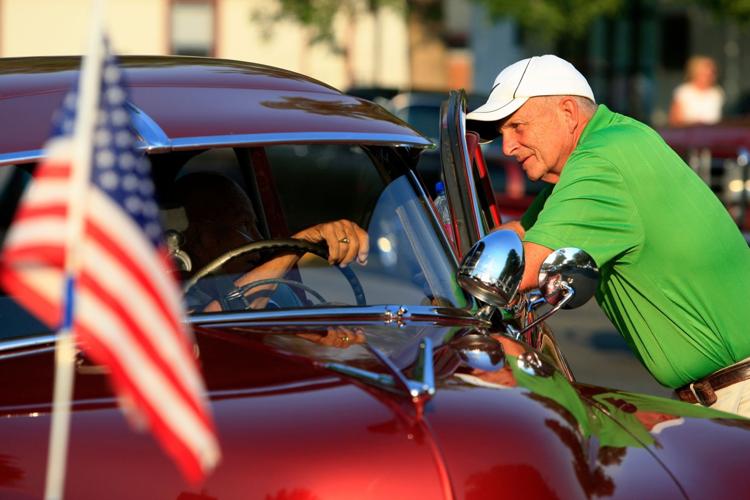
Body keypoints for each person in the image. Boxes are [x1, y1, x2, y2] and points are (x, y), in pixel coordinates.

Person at [465, 54, 750, 417]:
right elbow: (521, 232)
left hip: (740, 394)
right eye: (501, 133)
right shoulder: (615, 141)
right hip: (725, 391)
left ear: (568, 113)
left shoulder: (601, 163)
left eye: (517, 126)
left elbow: (517, 267)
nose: (507, 147)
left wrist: (450, 290)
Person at [172, 172, 368, 313]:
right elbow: (216, 320)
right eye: (244, 224)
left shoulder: (278, 289)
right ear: (202, 236)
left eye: (255, 225)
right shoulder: (171, 299)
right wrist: (299, 243)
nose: (257, 239)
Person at [668, 55, 724, 127]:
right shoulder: (683, 91)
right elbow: (674, 120)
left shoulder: (717, 93)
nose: (709, 76)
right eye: (705, 73)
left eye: (712, 73)